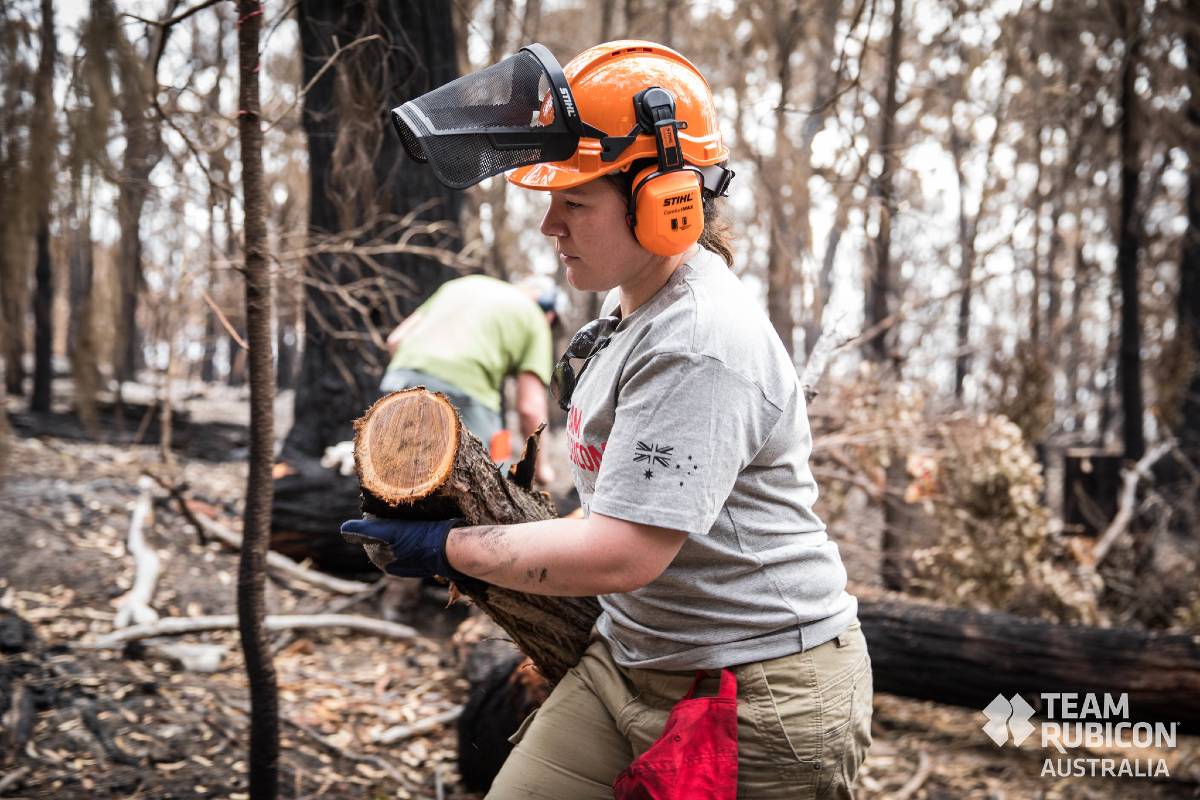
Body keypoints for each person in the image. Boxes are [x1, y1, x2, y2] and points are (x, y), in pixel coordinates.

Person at [345, 40, 872, 799]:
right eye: (550, 201)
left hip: (756, 693)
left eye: (575, 203)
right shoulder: (627, 303)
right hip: (628, 658)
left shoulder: (699, 338)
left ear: (666, 202)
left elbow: (624, 553)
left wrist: (449, 547)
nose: (548, 226)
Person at [380, 273, 560, 482]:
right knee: (489, 477)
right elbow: (530, 407)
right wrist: (540, 468)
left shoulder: (459, 285)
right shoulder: (535, 317)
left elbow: (395, 340)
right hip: (463, 393)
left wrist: (418, 378)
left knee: (393, 478)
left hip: (399, 379)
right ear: (550, 314)